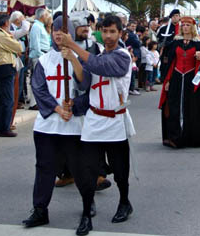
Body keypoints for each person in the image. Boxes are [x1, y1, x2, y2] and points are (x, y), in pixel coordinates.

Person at [59, 15, 136, 235]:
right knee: (88, 170)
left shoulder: (122, 57)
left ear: (120, 33)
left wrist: (72, 44)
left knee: (120, 169)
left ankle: (124, 202)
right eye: (105, 31)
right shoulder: (96, 55)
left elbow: (102, 66)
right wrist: (73, 58)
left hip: (115, 121)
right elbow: (85, 81)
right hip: (94, 121)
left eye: (113, 31)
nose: (109, 35)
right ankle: (86, 212)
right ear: (100, 32)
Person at [22, 16, 92, 232]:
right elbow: (39, 89)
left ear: (70, 31)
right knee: (44, 168)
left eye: (63, 29)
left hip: (73, 125)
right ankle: (40, 210)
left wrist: (73, 106)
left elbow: (86, 85)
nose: (58, 34)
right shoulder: (44, 60)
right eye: (55, 29)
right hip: (48, 126)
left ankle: (87, 210)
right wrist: (58, 109)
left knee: (81, 170)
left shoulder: (79, 57)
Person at [158, 17, 200, 148]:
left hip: (191, 78)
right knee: (174, 107)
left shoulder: (198, 43)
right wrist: (167, 80)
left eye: (188, 25)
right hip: (176, 77)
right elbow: (168, 62)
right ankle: (174, 137)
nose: (185, 27)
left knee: (190, 107)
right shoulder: (175, 42)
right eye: (183, 25)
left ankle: (188, 137)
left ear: (192, 27)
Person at [0, 14, 23, 137]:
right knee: (7, 99)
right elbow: (18, 47)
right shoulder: (2, 35)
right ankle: (4, 127)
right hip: (5, 67)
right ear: (6, 23)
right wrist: (11, 37)